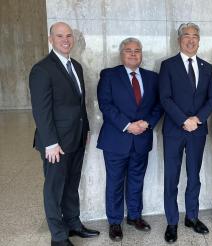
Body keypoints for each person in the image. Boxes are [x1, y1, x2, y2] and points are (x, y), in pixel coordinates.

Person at [29, 22, 99, 246]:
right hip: (55, 143)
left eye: (69, 35)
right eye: (60, 36)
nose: (65, 39)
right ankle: (58, 237)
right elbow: (41, 110)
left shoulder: (76, 66)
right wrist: (50, 143)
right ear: (51, 39)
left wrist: (85, 129)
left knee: (71, 184)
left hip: (76, 137)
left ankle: (73, 224)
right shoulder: (42, 69)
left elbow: (80, 104)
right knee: (54, 189)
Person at [96, 37, 163, 241]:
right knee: (115, 182)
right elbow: (105, 105)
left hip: (141, 139)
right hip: (116, 139)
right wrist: (128, 125)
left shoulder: (152, 77)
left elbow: (158, 106)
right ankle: (115, 222)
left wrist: (146, 123)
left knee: (136, 180)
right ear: (121, 53)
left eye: (137, 50)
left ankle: (134, 216)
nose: (133, 54)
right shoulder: (109, 75)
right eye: (128, 50)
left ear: (142, 54)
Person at [159, 22, 212, 243]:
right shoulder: (168, 65)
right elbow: (165, 98)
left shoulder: (207, 67)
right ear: (179, 39)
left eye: (195, 36)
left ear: (199, 41)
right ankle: (172, 221)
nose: (191, 39)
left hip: (197, 131)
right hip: (174, 130)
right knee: (171, 177)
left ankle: (192, 216)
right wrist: (184, 120)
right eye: (186, 35)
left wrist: (197, 119)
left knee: (194, 176)